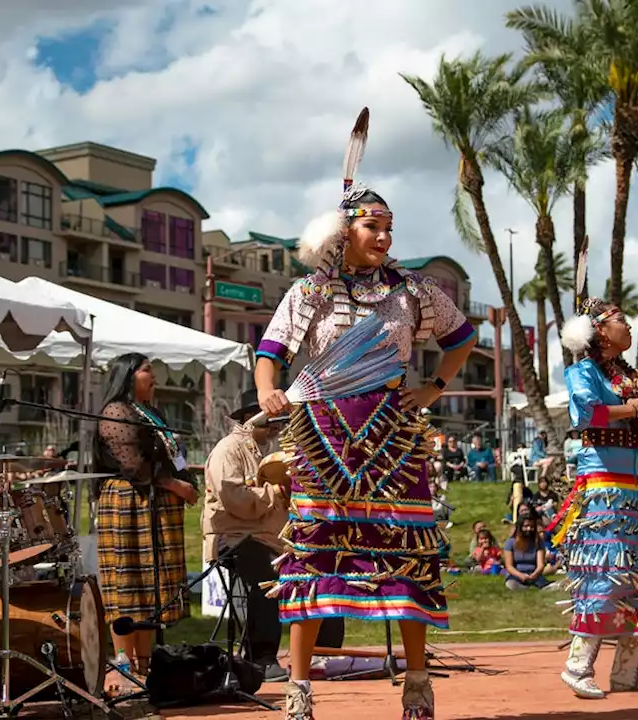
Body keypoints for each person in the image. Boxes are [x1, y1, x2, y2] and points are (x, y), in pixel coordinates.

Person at [252, 110, 477, 720]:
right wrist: (270, 391)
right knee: (313, 550)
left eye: (389, 228)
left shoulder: (414, 292)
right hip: (322, 434)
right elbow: (269, 352)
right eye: (373, 226)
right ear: (343, 232)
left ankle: (418, 681)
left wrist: (433, 386)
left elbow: (462, 336)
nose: (383, 238)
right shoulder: (309, 293)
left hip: (392, 435)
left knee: (405, 545)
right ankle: (299, 689)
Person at [550, 297, 638, 700]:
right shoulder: (583, 371)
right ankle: (577, 666)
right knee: (602, 572)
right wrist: (630, 408)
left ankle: (627, 671)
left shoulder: (633, 376)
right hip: (602, 483)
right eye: (620, 321)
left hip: (636, 488)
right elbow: (585, 415)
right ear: (600, 333)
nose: (628, 326)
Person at [202, 389, 343, 682]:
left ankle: (322, 652)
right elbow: (232, 497)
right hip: (235, 538)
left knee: (318, 568)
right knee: (270, 578)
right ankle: (261, 659)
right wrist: (275, 492)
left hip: (268, 536)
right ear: (248, 419)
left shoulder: (264, 450)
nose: (277, 427)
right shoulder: (228, 449)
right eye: (270, 421)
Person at [93, 353, 199, 694]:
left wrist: (185, 480)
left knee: (150, 590)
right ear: (127, 375)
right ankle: (124, 667)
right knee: (128, 584)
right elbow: (135, 466)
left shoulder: (152, 412)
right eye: (146, 370)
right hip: (128, 504)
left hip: (155, 506)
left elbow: (168, 456)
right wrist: (176, 485)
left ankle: (146, 666)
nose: (154, 376)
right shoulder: (116, 411)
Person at [501, 512, 555, 590]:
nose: (529, 529)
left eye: (531, 526)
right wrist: (521, 575)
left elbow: (540, 565)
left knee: (545, 585)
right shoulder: (510, 543)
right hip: (516, 575)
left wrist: (534, 574)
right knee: (511, 584)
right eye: (526, 526)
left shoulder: (538, 542)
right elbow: (509, 566)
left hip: (534, 574)